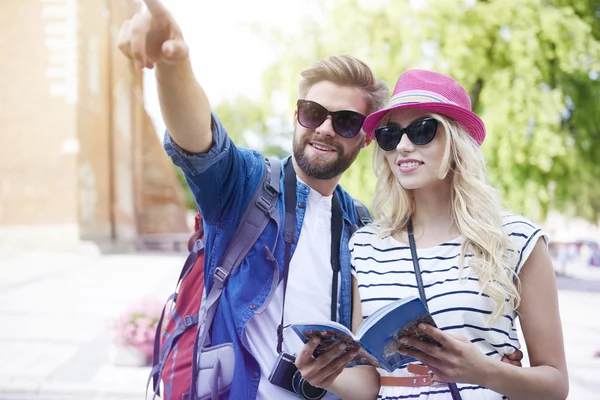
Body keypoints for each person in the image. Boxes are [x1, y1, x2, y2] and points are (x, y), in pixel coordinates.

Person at [117, 1, 392, 399]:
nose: (326, 129)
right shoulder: (247, 183)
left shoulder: (360, 225)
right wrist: (172, 62)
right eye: (314, 113)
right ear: (296, 117)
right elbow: (198, 141)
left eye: (346, 121)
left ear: (365, 139)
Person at [295, 70, 569, 400]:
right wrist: (324, 376)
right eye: (390, 135)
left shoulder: (516, 239)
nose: (404, 146)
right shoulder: (365, 247)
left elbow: (555, 385)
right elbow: (368, 386)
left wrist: (482, 370)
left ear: (456, 140)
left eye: (422, 130)